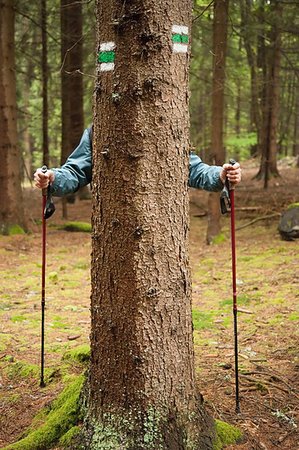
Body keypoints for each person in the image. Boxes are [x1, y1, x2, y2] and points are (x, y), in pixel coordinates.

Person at [34, 127, 241, 195]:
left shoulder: (166, 124)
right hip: (113, 233)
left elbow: (195, 170)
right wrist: (52, 178)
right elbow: (76, 172)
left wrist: (221, 175)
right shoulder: (99, 130)